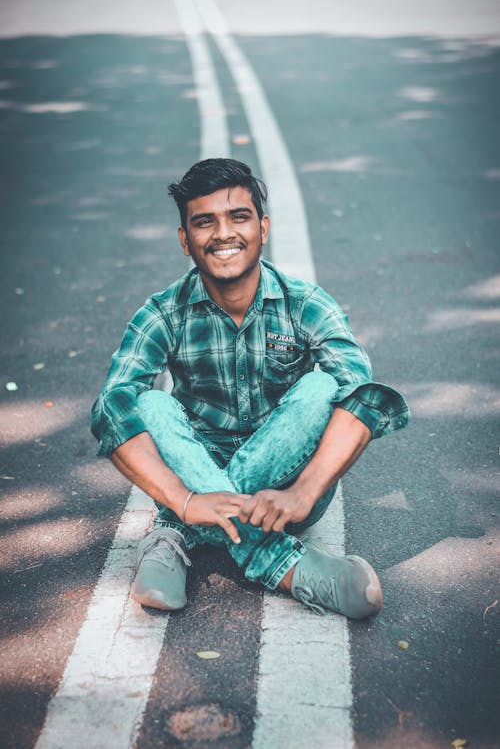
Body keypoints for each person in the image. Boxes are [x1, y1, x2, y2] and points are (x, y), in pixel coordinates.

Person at [91, 158, 409, 620]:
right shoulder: (163, 313)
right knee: (147, 402)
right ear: (185, 240)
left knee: (322, 387)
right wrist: (187, 498)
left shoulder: (307, 304)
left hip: (287, 494)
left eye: (238, 217)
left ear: (263, 227)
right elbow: (111, 408)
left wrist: (304, 491)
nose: (223, 234)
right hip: (194, 476)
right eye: (204, 222)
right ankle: (281, 564)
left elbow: (364, 398)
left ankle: (173, 531)